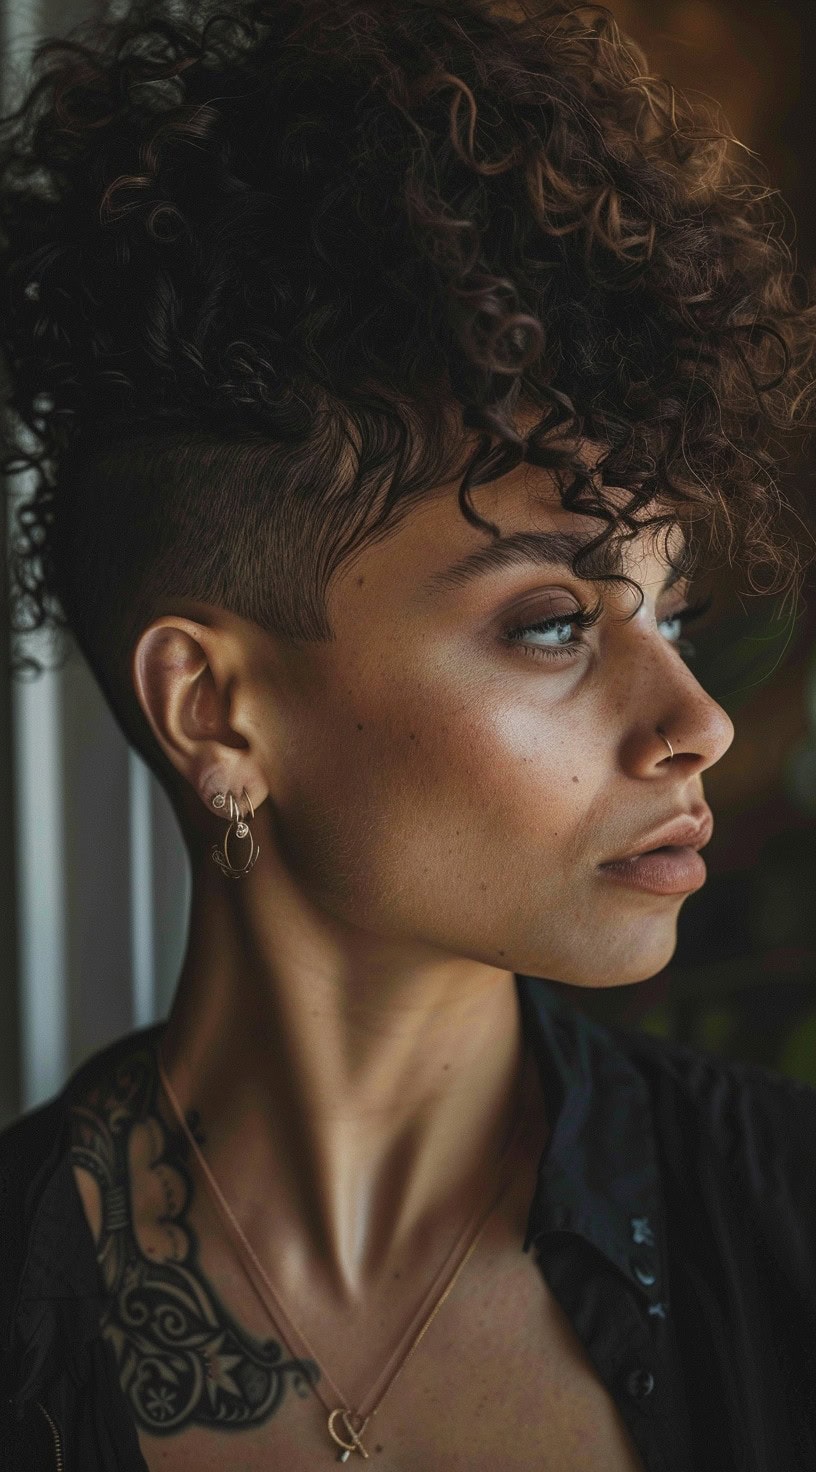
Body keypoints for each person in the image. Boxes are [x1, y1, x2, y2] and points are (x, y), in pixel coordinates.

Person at [1, 0, 816, 1468]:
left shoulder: (783, 1235)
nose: (696, 719)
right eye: (558, 624)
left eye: (673, 615)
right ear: (218, 709)